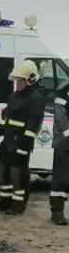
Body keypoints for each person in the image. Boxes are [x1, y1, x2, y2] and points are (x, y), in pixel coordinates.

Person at [0, 60, 45, 215]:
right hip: (7, 142)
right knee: (2, 172)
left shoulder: (36, 99)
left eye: (21, 80)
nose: (18, 83)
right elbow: (6, 116)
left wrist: (25, 144)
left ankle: (19, 205)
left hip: (21, 143)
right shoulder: (14, 96)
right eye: (17, 80)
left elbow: (33, 124)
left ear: (30, 80)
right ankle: (4, 201)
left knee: (18, 175)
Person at [50, 79, 69, 226]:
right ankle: (57, 213)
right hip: (64, 143)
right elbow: (60, 115)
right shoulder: (64, 90)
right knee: (61, 179)